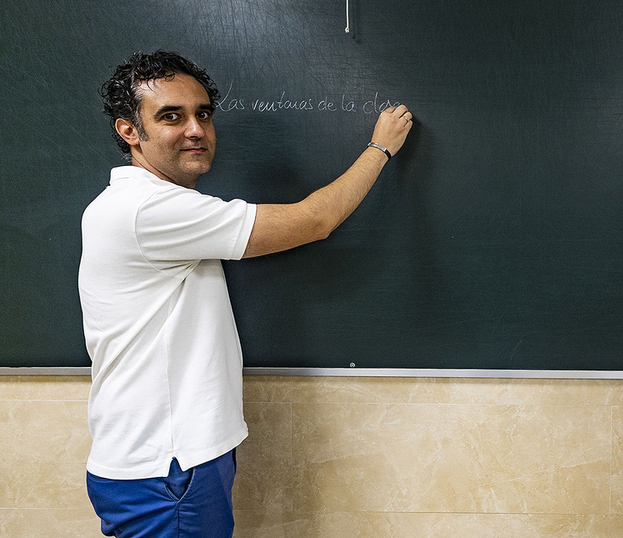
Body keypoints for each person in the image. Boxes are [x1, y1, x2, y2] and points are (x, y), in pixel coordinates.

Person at [78, 50, 412, 537]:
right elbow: (314, 220)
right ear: (129, 130)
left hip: (168, 462)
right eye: (171, 116)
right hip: (167, 469)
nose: (196, 129)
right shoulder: (147, 210)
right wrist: (379, 148)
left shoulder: (144, 205)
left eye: (204, 113)